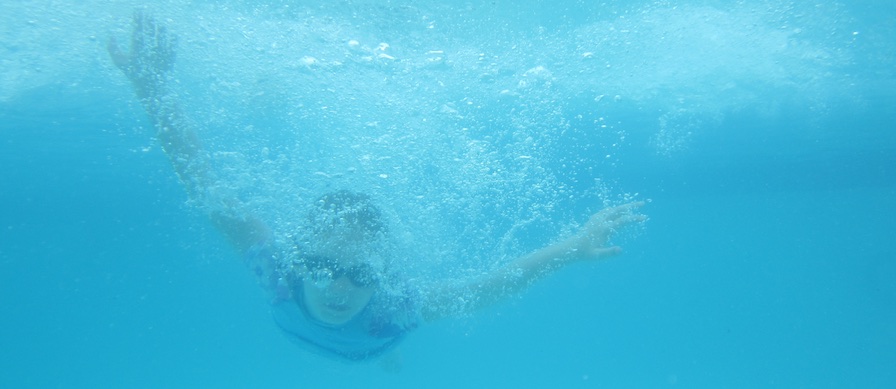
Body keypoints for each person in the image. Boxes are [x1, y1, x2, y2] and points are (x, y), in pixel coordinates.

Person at [108, 12, 646, 362]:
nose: (340, 288)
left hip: (374, 348)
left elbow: (490, 285)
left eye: (362, 273)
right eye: (324, 267)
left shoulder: (394, 308)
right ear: (299, 260)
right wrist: (153, 90)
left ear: (382, 275)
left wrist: (576, 247)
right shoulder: (277, 269)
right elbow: (206, 187)